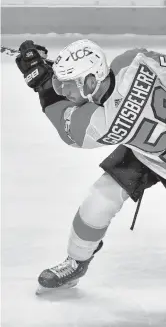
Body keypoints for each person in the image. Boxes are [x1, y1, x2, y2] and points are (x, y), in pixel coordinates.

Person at [15, 39, 166, 293]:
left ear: (91, 81)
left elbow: (68, 124)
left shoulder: (102, 122)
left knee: (99, 201)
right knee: (100, 199)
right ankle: (76, 261)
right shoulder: (132, 60)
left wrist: (43, 85)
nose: (64, 91)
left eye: (68, 85)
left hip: (151, 150)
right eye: (59, 84)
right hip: (147, 152)